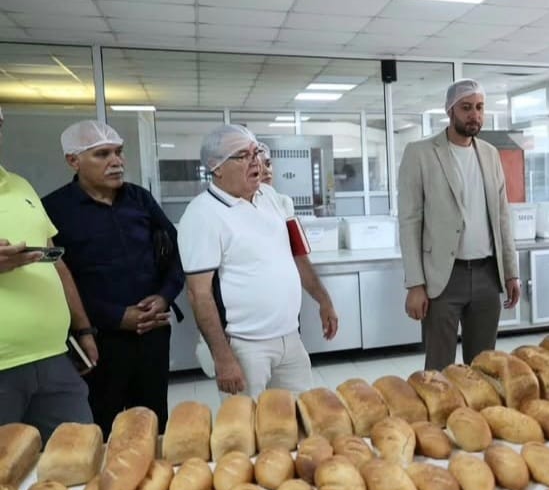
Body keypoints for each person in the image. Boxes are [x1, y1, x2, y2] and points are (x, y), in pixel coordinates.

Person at [43, 120, 184, 434]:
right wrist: (116, 317)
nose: (117, 161)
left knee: (151, 423)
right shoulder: (54, 209)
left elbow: (175, 253)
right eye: (102, 154)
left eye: (118, 152)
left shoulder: (140, 199)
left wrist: (165, 296)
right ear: (73, 160)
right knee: (100, 427)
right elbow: (55, 279)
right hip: (97, 340)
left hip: (152, 333)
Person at [178, 124, 338, 397]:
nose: (256, 162)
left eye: (257, 152)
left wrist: (324, 300)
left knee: (299, 414)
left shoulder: (270, 197)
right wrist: (223, 357)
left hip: (290, 337)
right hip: (244, 346)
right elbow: (198, 294)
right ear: (216, 167)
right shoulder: (201, 214)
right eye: (243, 156)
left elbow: (297, 256)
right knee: (247, 421)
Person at [397, 78, 521, 370]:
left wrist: (511, 272)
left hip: (487, 274)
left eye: (479, 107)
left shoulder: (490, 154)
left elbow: (502, 217)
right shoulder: (420, 153)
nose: (474, 115)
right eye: (466, 108)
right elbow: (409, 222)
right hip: (443, 277)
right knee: (439, 368)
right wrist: (415, 284)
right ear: (450, 110)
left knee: (484, 367)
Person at [0, 106, 95, 440]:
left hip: (54, 356)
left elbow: (55, 261)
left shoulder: (20, 186)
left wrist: (84, 330)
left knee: (80, 454)